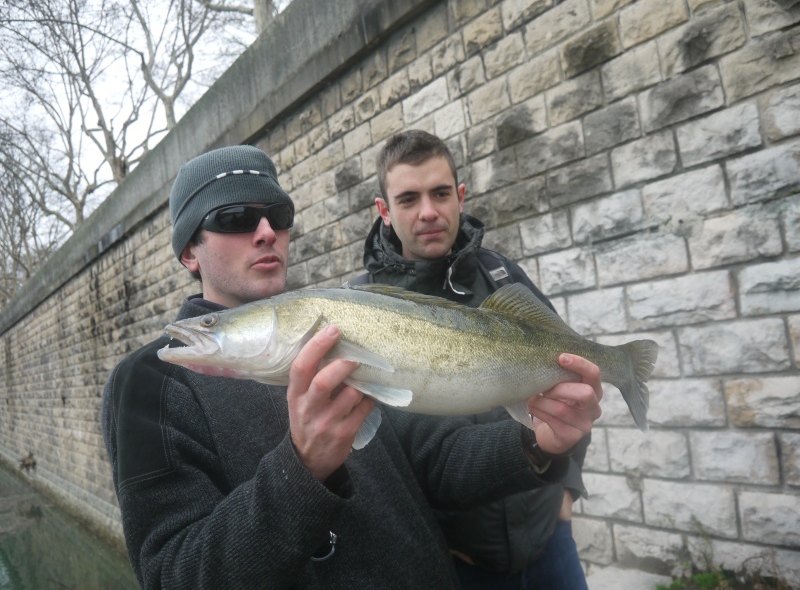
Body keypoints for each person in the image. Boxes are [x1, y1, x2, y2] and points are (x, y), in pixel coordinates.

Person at [101, 144, 603, 589]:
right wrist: (302, 470)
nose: (265, 232)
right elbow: (174, 574)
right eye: (234, 218)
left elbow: (432, 463)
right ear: (190, 250)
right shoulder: (150, 384)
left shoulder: (334, 329)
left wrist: (537, 444)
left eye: (278, 214)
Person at [348, 129, 591, 589]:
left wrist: (567, 491)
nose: (428, 212)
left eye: (440, 193)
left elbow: (571, 370)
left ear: (460, 196)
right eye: (408, 199)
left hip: (548, 543)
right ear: (383, 211)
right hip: (456, 565)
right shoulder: (361, 309)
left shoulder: (502, 276)